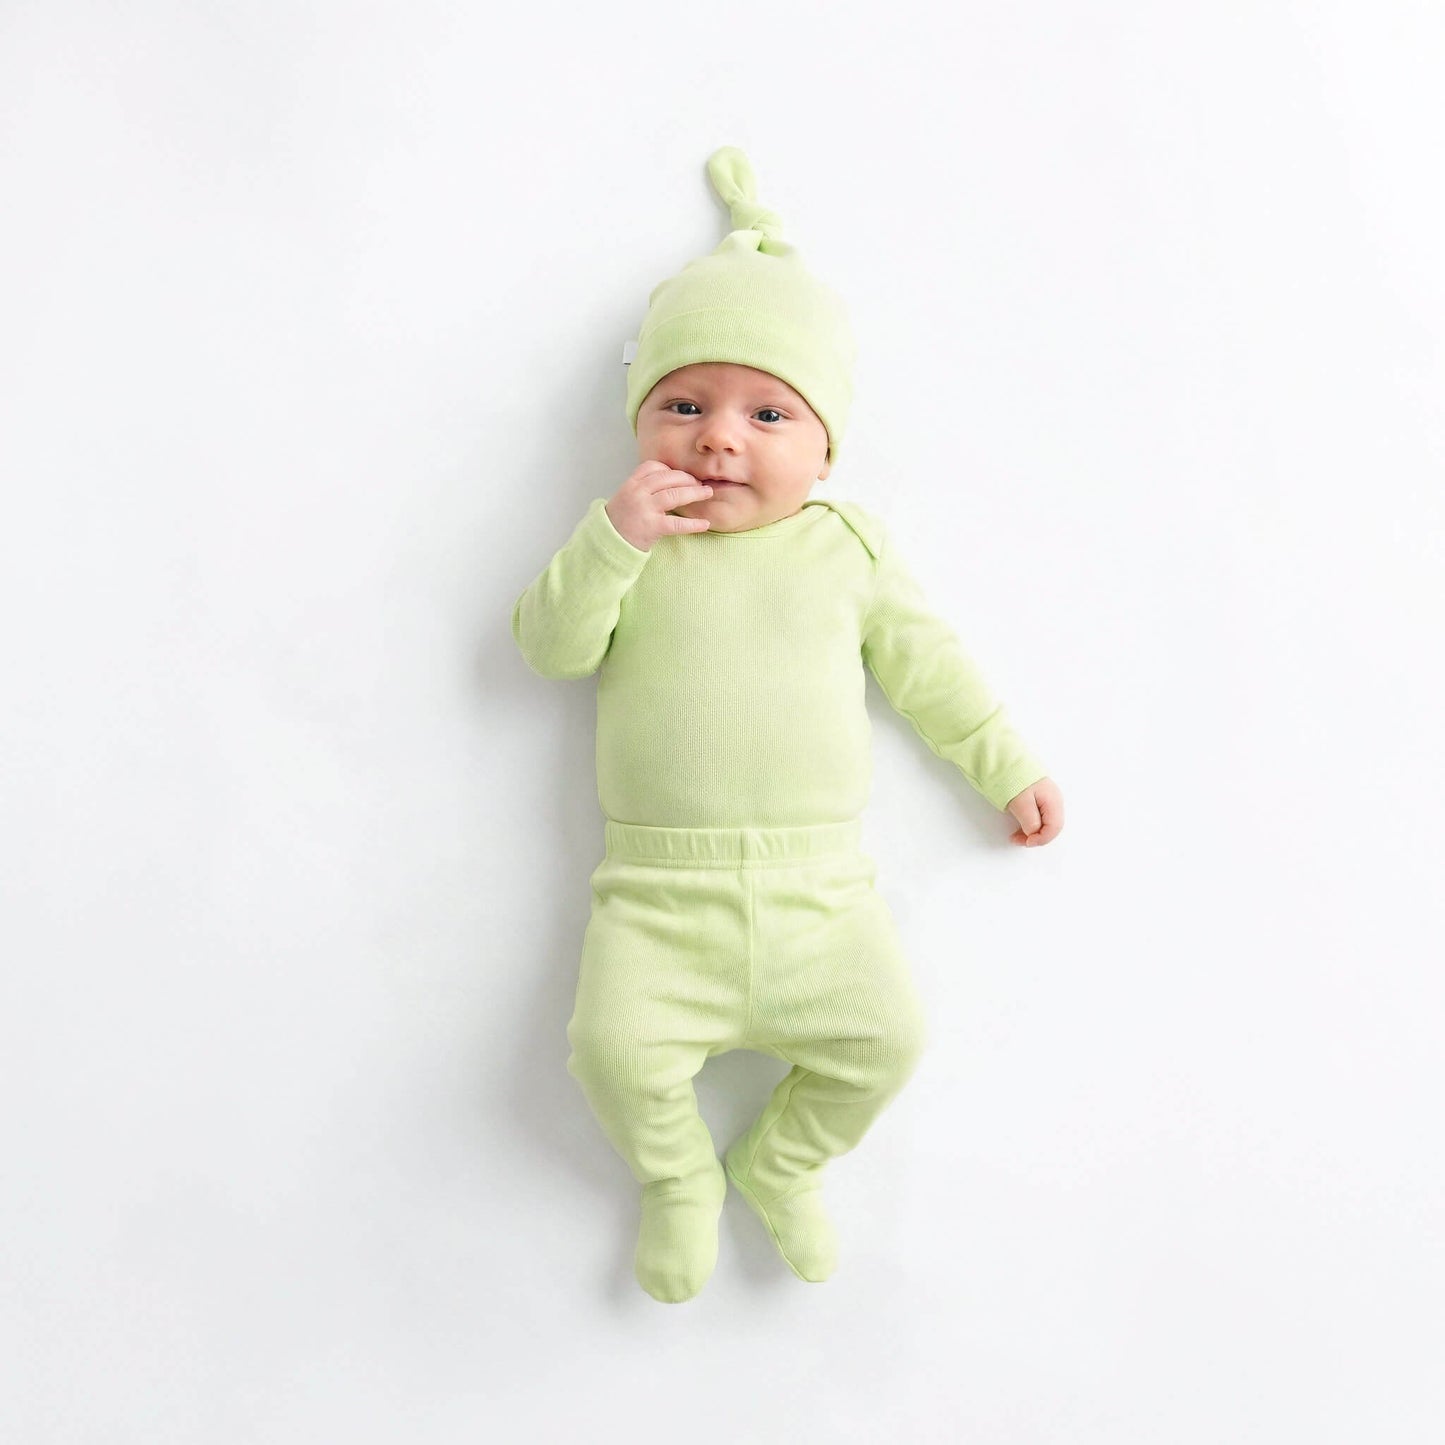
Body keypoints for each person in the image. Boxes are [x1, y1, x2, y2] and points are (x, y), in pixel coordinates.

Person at [510, 146, 1064, 1303]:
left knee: (886, 1042)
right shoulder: (629, 544)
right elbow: (548, 648)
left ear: (822, 450)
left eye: (767, 411)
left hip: (820, 891)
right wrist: (612, 539)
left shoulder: (843, 549)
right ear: (639, 423)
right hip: (658, 896)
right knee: (609, 1053)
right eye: (683, 404)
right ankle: (677, 1180)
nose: (719, 437)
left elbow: (930, 672)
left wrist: (1005, 766)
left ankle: (779, 1158)